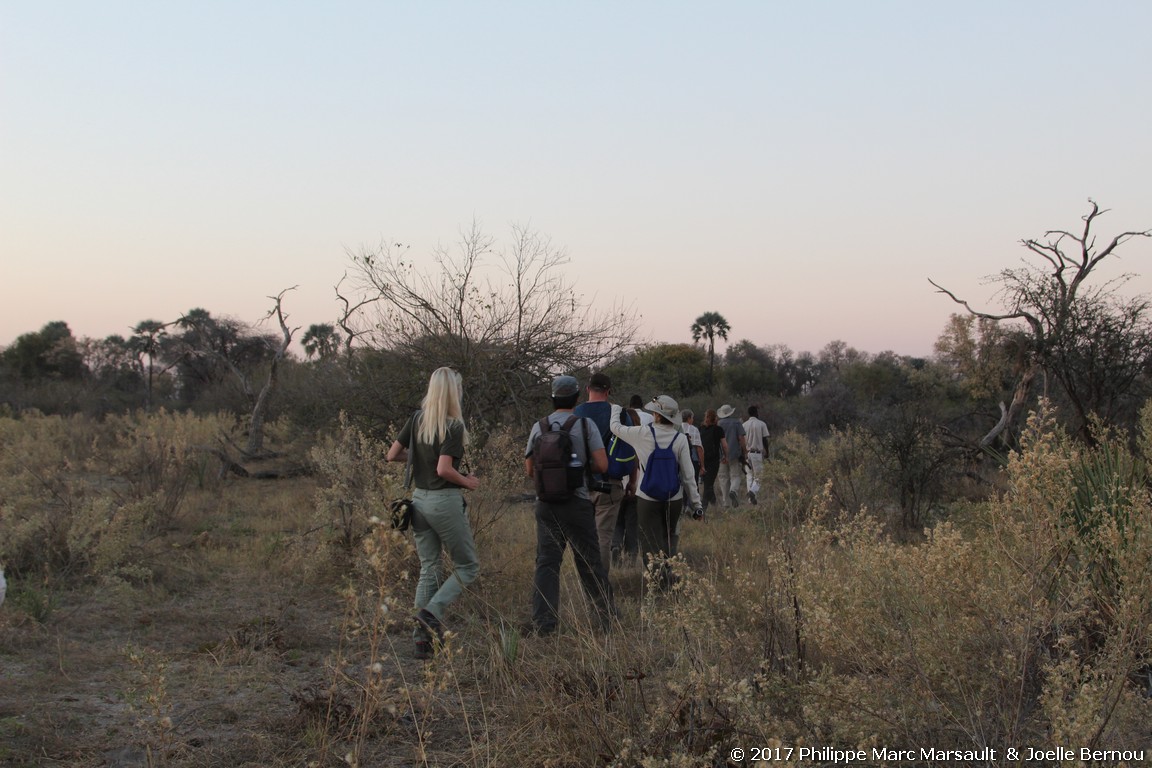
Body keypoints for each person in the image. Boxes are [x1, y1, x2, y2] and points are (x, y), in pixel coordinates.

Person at [387, 367, 481, 660]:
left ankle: (421, 642)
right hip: (444, 502)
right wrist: (468, 481)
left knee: (429, 568)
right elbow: (443, 469)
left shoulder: (417, 419)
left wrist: (418, 459)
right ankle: (432, 612)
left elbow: (392, 455)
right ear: (454, 392)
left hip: (418, 501)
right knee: (468, 567)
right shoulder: (453, 427)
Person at [525, 375, 616, 635]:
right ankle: (605, 618)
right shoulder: (585, 425)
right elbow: (602, 465)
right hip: (577, 503)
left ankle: (544, 624)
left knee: (547, 563)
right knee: (589, 561)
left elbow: (530, 468)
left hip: (546, 505)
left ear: (552, 398)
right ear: (577, 398)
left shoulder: (539, 426)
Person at [610, 395, 703, 589]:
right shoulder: (679, 439)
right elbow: (688, 476)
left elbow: (616, 429)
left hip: (647, 498)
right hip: (674, 497)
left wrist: (615, 410)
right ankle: (669, 575)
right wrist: (696, 505)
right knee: (668, 536)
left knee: (648, 541)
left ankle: (657, 582)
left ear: (657, 415)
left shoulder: (642, 433)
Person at [574, 372, 635, 577]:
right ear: (608, 392)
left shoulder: (576, 413)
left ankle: (585, 581)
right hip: (610, 484)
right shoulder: (618, 414)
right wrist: (632, 482)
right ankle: (599, 584)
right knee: (603, 538)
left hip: (580, 484)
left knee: (583, 537)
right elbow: (630, 449)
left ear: (587, 389)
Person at [716, 404, 747, 509]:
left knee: (723, 478)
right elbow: (741, 438)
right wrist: (745, 451)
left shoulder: (718, 424)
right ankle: (733, 490)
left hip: (721, 455)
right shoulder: (736, 423)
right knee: (735, 475)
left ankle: (726, 502)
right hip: (734, 454)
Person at [698, 408, 727, 514]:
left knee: (707, 482)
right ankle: (702, 509)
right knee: (708, 485)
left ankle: (715, 505)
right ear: (715, 418)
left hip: (701, 459)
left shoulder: (700, 429)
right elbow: (724, 445)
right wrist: (725, 456)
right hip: (713, 460)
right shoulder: (718, 429)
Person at [742, 405, 771, 505]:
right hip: (757, 453)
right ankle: (753, 492)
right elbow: (764, 440)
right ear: (756, 413)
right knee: (759, 476)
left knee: (749, 476)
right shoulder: (761, 424)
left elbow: (741, 441)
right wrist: (767, 452)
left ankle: (751, 501)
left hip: (747, 453)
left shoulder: (744, 425)